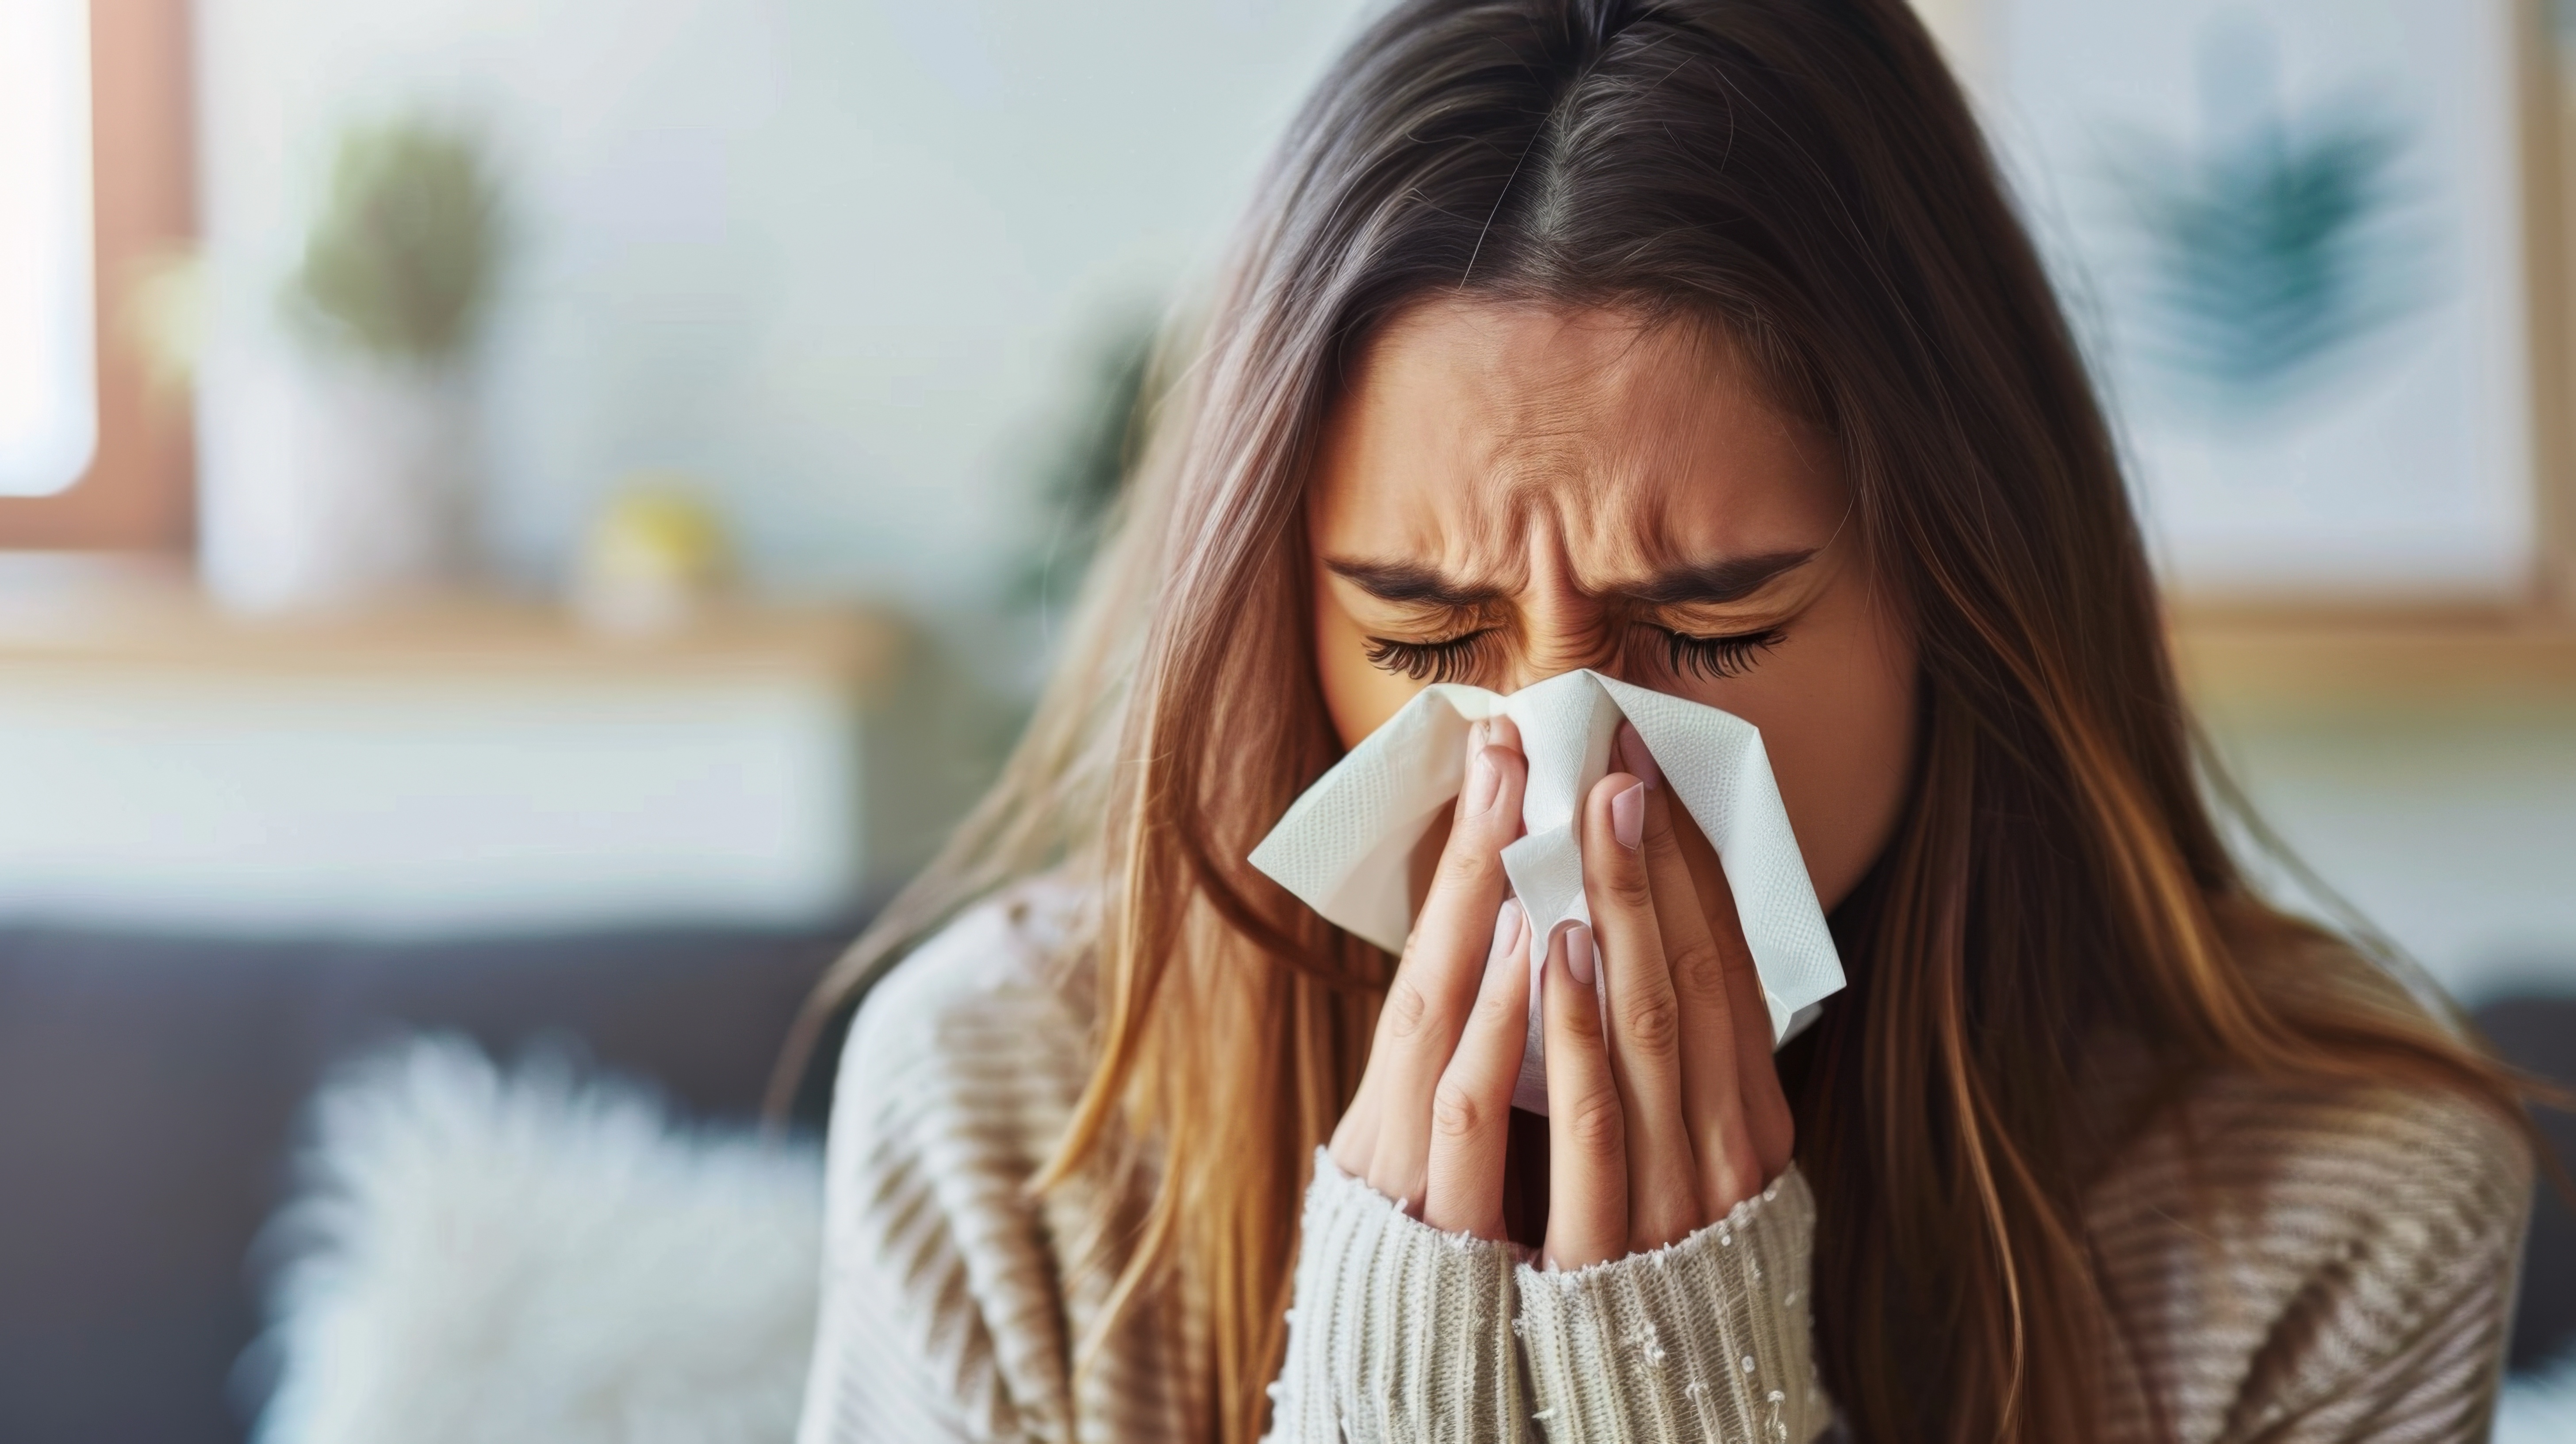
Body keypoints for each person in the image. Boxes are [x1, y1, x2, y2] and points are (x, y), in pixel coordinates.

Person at [782, 2, 2541, 1440]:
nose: (1562, 769)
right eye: (1425, 628)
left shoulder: (2336, 1213)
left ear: (1965, 593)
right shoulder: (1011, 1125)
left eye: (1706, 626)